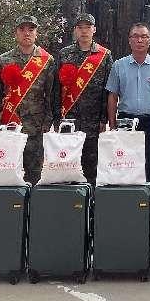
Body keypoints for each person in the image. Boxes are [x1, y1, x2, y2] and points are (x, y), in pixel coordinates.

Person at [0, 15, 57, 185]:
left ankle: (32, 202)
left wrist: (48, 122)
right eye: (22, 29)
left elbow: (51, 95)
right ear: (16, 33)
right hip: (9, 125)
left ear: (37, 33)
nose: (26, 33)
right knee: (7, 172)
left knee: (34, 174)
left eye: (31, 29)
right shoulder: (4, 60)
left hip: (36, 126)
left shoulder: (47, 60)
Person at [106, 23, 150, 184]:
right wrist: (112, 125)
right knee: (125, 164)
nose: (139, 40)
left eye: (144, 36)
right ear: (129, 40)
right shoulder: (118, 65)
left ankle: (149, 197)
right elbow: (112, 96)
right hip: (125, 121)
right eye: (135, 36)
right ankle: (129, 198)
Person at [56, 13, 114, 184]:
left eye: (88, 27)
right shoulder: (64, 54)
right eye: (80, 27)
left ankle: (91, 197)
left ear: (94, 29)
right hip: (69, 118)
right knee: (67, 163)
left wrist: (104, 119)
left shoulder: (104, 55)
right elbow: (56, 88)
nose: (84, 31)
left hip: (93, 120)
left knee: (92, 165)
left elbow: (108, 90)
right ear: (75, 30)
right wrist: (56, 117)